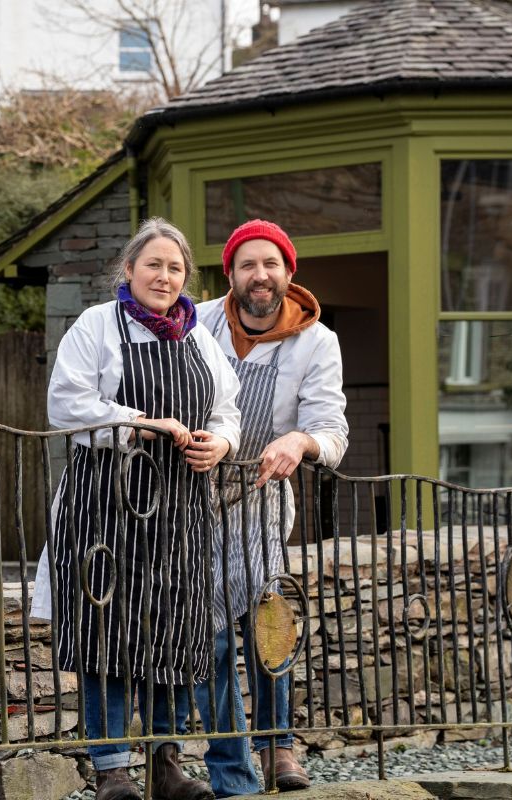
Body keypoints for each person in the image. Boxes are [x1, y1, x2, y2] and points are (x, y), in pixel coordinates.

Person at [33, 217, 242, 800]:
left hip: (178, 512)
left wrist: (222, 442)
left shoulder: (198, 338)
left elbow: (227, 408)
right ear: (128, 269)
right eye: (153, 264)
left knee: (172, 631)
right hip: (105, 507)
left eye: (175, 268)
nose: (164, 276)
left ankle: (165, 764)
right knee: (106, 635)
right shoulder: (97, 326)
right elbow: (66, 404)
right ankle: (112, 770)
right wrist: (140, 423)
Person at [194, 219, 349, 795]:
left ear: (288, 271)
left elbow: (332, 431)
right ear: (231, 274)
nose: (259, 275)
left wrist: (298, 441)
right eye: (247, 265)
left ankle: (278, 746)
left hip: (258, 496)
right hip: (192, 496)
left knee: (267, 621)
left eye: (270, 264)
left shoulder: (316, 340)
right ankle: (230, 766)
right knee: (208, 636)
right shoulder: (197, 323)